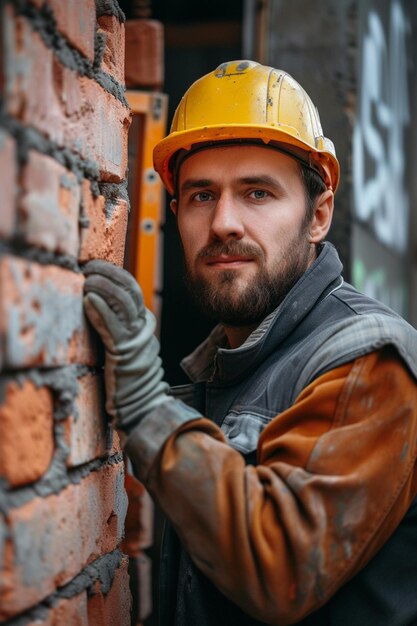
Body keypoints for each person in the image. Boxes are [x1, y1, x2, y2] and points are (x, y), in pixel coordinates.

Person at [83, 60, 417, 625]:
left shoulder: (366, 362)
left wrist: (145, 404)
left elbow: (281, 566)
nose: (224, 223)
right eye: (201, 196)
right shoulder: (229, 368)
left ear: (319, 215)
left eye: (258, 193)